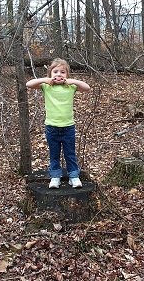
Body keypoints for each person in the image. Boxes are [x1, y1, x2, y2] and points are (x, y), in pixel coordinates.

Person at [26, 58, 90, 189]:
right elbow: (29, 84)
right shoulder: (46, 87)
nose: (59, 74)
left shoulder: (71, 87)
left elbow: (87, 88)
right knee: (54, 154)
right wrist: (45, 80)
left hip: (68, 128)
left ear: (67, 75)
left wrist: (73, 81)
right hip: (52, 128)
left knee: (70, 154)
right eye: (55, 72)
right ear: (50, 74)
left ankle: (74, 176)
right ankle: (55, 177)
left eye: (62, 72)